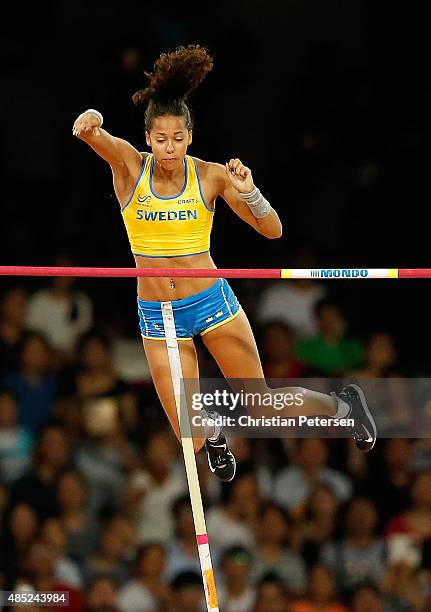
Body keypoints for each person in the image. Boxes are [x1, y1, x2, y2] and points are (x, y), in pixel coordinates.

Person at [73, 44, 376, 482]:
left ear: (190, 137)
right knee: (187, 431)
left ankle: (346, 406)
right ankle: (214, 432)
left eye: (178, 139)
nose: (170, 148)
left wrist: (250, 191)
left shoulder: (211, 175)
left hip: (210, 301)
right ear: (147, 139)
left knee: (262, 404)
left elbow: (273, 230)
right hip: (158, 315)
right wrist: (91, 120)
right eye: (161, 139)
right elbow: (94, 135)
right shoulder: (130, 168)